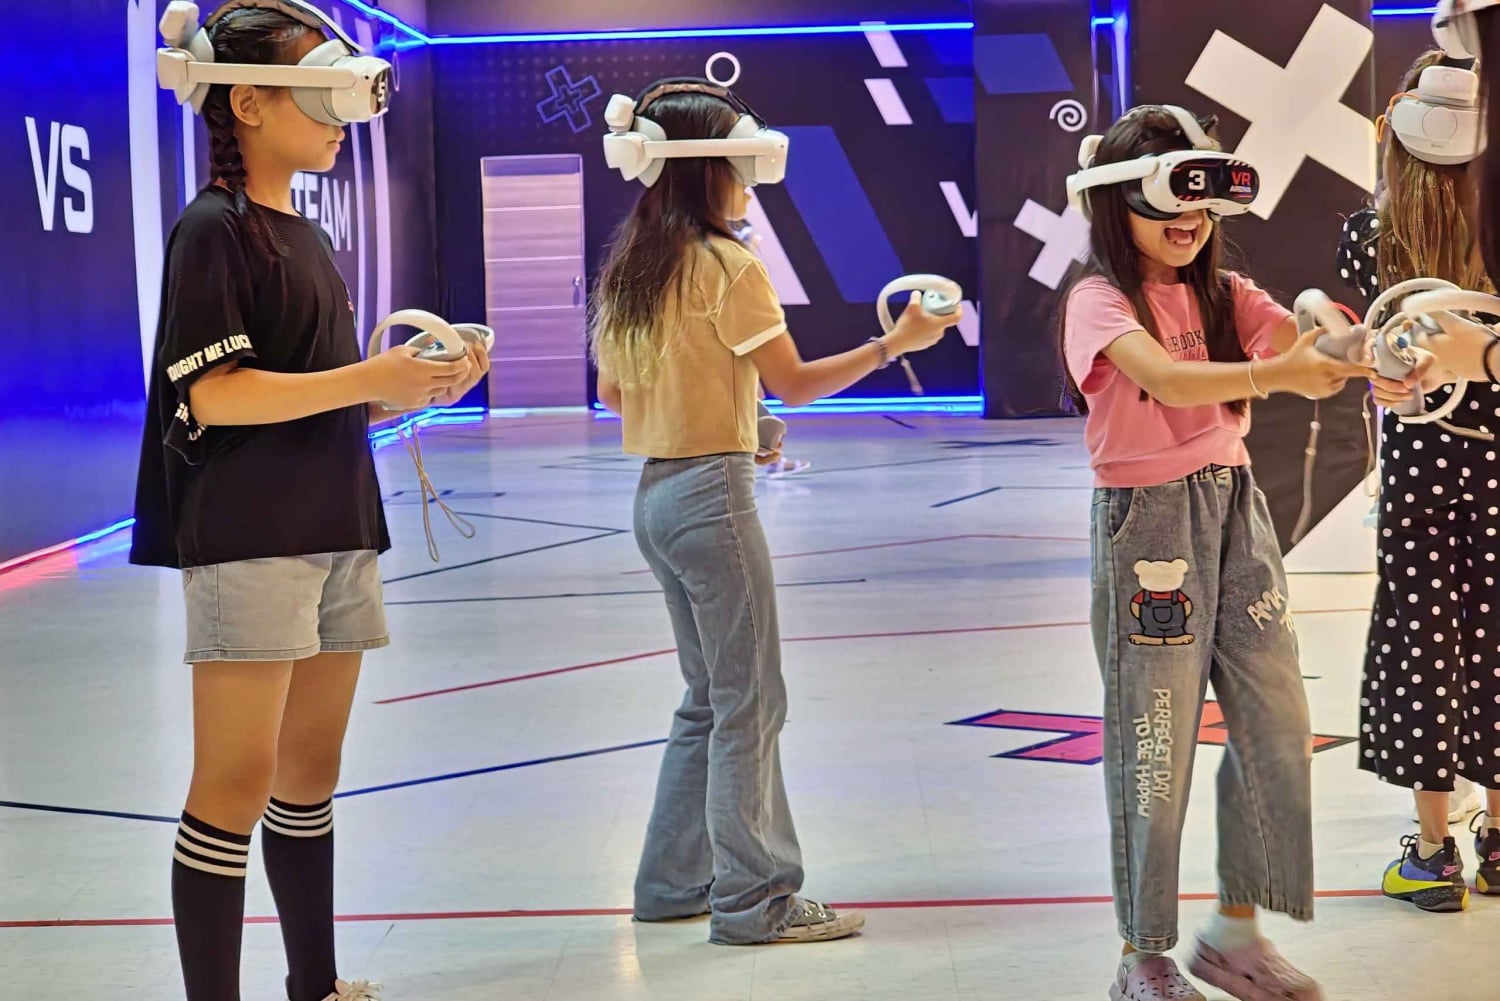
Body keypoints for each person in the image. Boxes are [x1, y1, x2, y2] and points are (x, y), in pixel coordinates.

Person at [128, 6, 487, 1000]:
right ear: (247, 103)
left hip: (337, 523)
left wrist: (413, 384)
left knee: (309, 771)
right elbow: (215, 395)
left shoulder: (306, 233)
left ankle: (316, 984)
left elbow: (319, 392)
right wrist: (367, 376)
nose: (341, 124)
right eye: (320, 99)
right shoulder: (214, 228)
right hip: (252, 536)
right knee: (234, 781)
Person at [591, 78, 959, 945]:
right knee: (751, 701)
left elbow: (616, 393)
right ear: (708, 168)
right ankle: (755, 899)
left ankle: (671, 882)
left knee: (708, 698)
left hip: (656, 498)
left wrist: (735, 416)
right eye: (743, 165)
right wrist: (893, 345)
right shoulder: (730, 264)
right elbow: (795, 380)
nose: (753, 183)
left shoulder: (633, 263)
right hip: (712, 500)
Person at [1058, 105, 1369, 1001]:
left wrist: (1365, 347)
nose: (1188, 221)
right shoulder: (1097, 299)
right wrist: (1277, 373)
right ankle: (1143, 955)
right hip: (1148, 527)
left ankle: (1236, 933)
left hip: (1236, 507)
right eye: (1167, 201)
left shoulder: (1227, 292)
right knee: (1154, 741)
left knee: (1276, 720)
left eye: (1201, 202)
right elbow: (1163, 377)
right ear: (1115, 202)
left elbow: (1303, 345)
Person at [1338, 48, 1500, 912]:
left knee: (1421, 642)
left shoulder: (1372, 238)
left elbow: (1373, 344)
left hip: (1421, 463)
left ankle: (1434, 851)